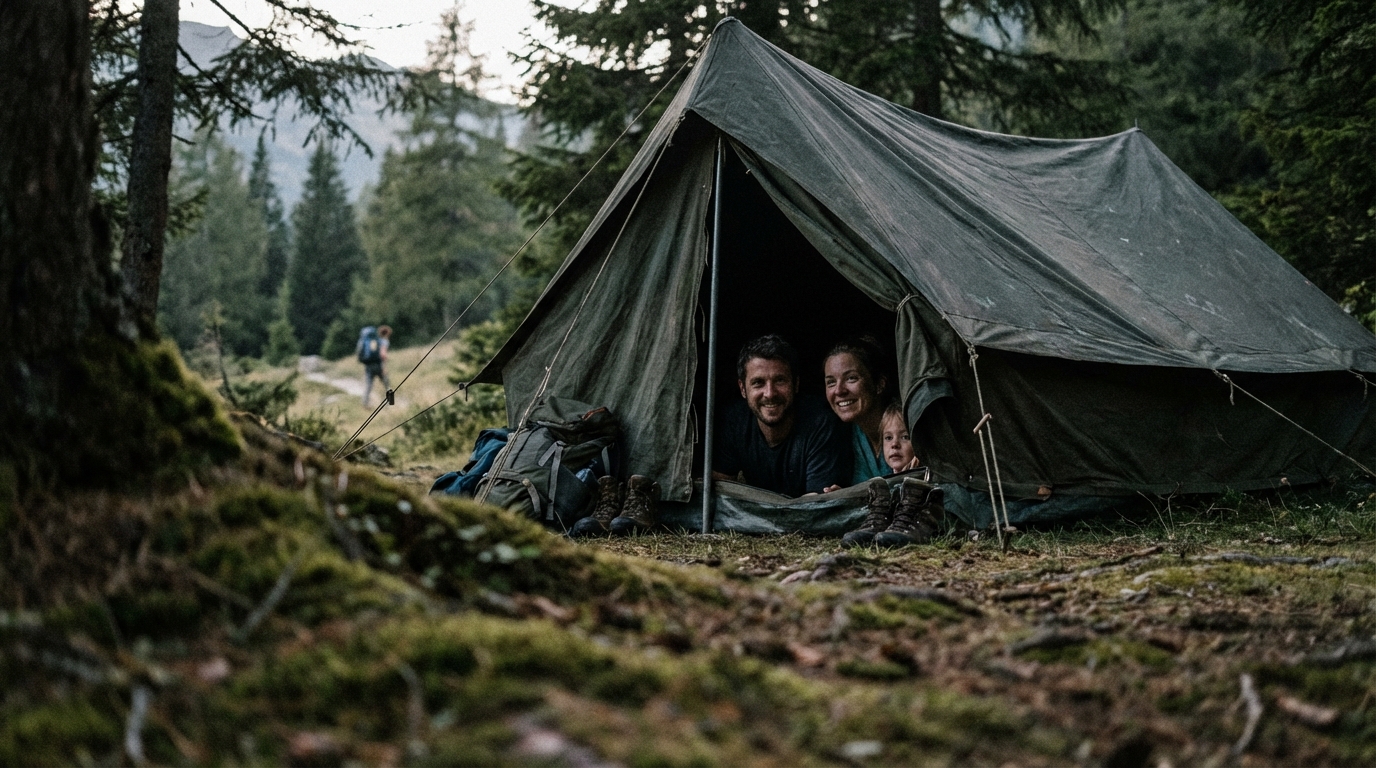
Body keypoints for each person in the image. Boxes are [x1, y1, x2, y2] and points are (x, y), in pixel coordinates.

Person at [712, 335, 851, 497]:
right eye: (758, 382)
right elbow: (719, 491)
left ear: (796, 384)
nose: (770, 393)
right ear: (743, 389)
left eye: (780, 380)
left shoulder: (821, 421)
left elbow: (816, 507)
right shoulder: (734, 420)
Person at [841, 403, 943, 548]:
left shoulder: (929, 478)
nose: (894, 444)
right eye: (888, 438)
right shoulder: (884, 480)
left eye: (905, 437)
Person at [822, 335, 893, 490]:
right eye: (831, 382)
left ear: (879, 384)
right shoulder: (853, 434)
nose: (839, 390)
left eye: (851, 378)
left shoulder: (907, 427)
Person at [358, 324, 392, 407]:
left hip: (369, 366)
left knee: (368, 385)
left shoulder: (373, 341)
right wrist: (384, 367)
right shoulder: (383, 341)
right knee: (386, 384)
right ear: (387, 333)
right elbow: (383, 355)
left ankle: (365, 403)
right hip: (378, 365)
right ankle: (391, 402)